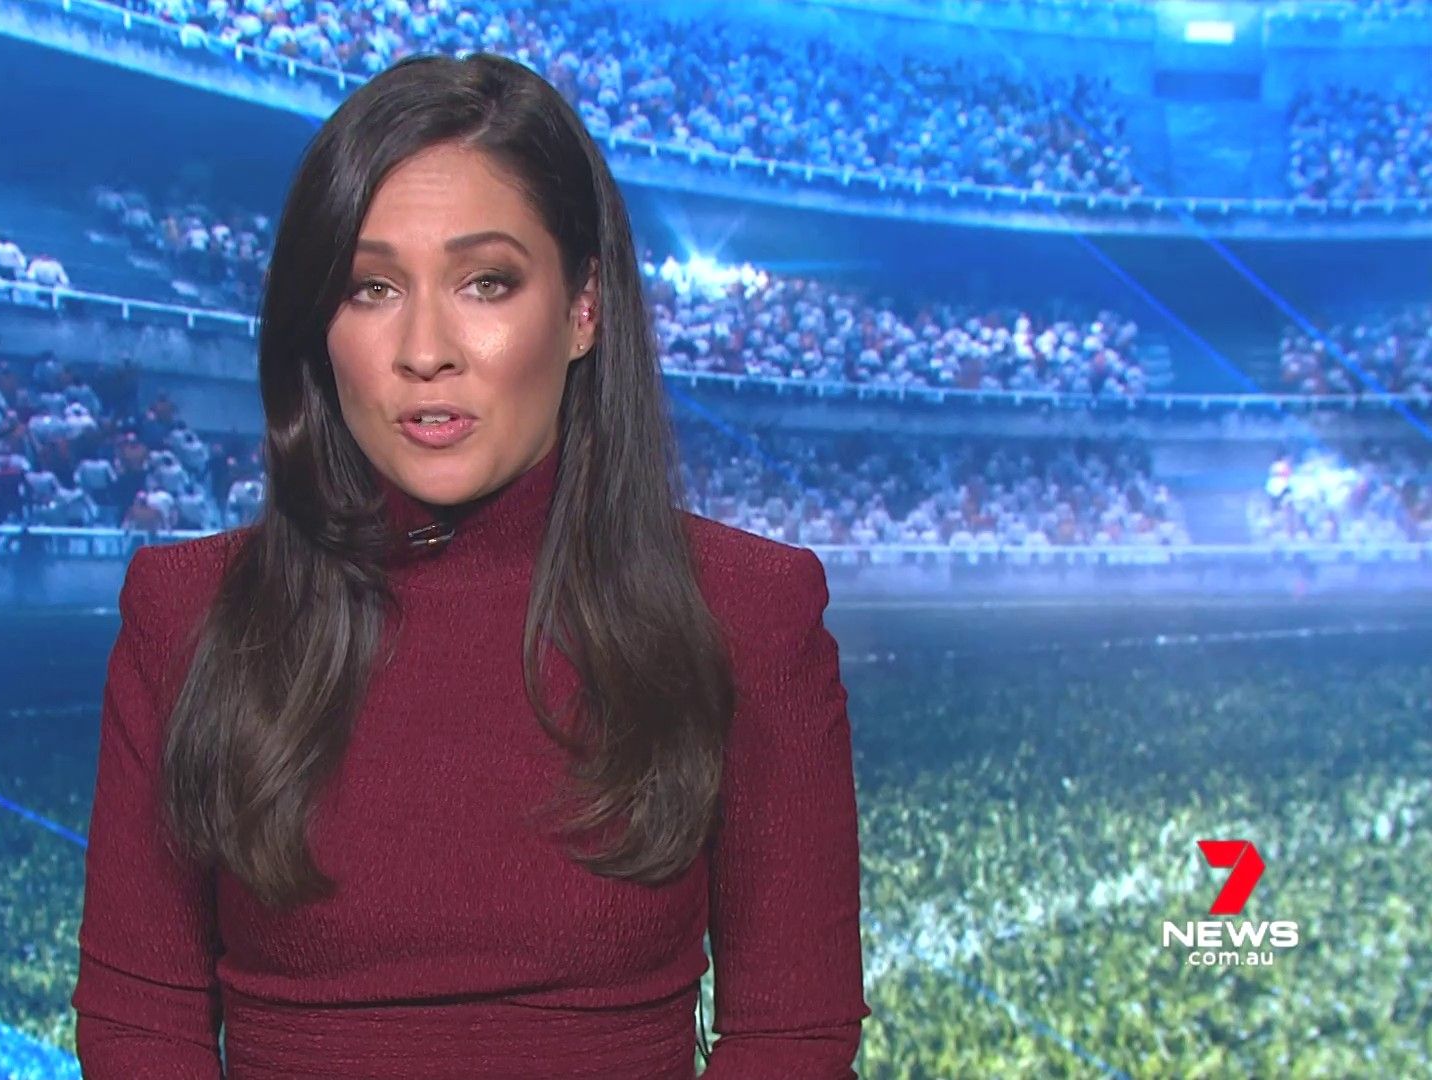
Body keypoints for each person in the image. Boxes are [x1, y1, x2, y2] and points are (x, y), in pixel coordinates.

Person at [72, 53, 868, 1080]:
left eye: (486, 282)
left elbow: (791, 1037)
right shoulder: (184, 614)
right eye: (371, 288)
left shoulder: (751, 613)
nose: (425, 349)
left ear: (584, 306)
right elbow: (143, 1028)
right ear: (320, 324)